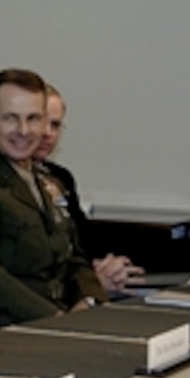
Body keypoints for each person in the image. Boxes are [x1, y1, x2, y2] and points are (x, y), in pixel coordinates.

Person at [0, 69, 108, 323]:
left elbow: (74, 257)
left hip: (59, 320)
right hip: (0, 328)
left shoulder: (48, 181)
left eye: (34, 118)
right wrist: (55, 318)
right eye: (11, 119)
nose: (24, 130)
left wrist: (88, 300)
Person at [34, 84, 144, 293]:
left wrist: (109, 267)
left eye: (55, 125)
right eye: (40, 121)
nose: (48, 133)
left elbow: (83, 241)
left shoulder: (59, 177)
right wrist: (91, 283)